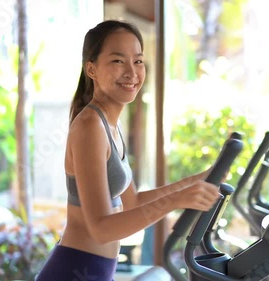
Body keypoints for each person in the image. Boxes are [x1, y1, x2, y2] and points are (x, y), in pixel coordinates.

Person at [35, 20, 221, 281]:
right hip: (74, 270)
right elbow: (100, 228)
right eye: (117, 61)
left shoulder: (110, 125)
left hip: (97, 270)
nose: (132, 72)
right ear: (92, 69)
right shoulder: (90, 126)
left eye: (138, 61)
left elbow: (131, 202)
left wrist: (194, 182)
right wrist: (176, 201)